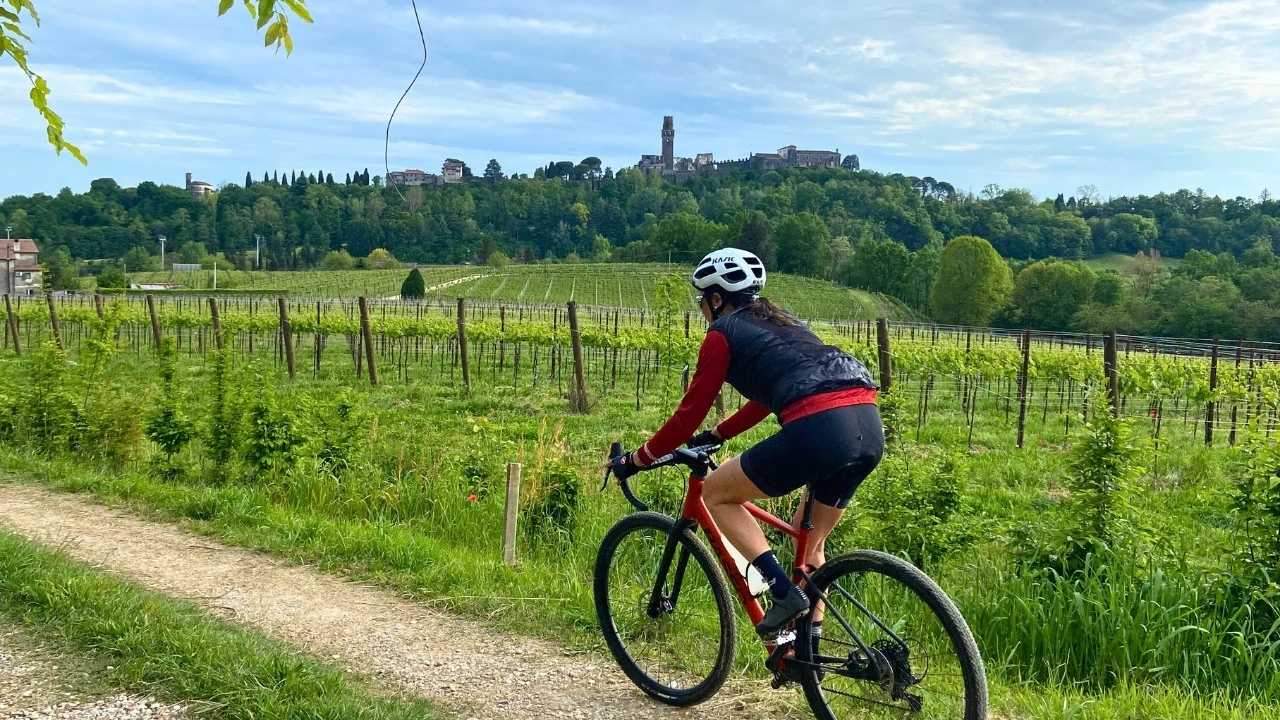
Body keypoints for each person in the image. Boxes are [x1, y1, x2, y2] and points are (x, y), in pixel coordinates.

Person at [609, 248, 884, 639]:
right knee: (811, 548)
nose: (701, 308)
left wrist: (638, 459)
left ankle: (782, 592)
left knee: (717, 492)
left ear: (716, 299)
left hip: (819, 429)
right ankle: (810, 655)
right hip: (867, 423)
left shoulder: (722, 334)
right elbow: (765, 397)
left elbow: (689, 414)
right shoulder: (784, 322)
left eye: (702, 300)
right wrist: (720, 434)